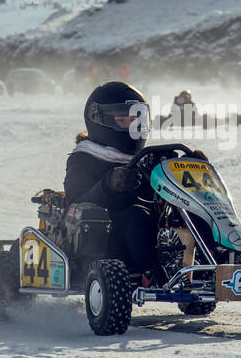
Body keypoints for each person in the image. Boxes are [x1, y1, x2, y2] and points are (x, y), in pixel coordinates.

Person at [63, 81, 170, 282]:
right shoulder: (84, 158)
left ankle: (217, 260)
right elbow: (74, 204)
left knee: (181, 216)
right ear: (99, 121)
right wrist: (108, 184)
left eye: (135, 120)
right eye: (123, 120)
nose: (132, 127)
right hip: (106, 236)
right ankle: (158, 278)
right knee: (135, 215)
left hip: (145, 226)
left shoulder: (145, 158)